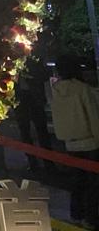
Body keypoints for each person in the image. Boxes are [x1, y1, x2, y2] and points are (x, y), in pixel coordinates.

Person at [52, 55, 99, 228]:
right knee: (93, 183)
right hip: (90, 142)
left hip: (69, 142)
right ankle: (92, 217)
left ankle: (76, 214)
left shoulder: (55, 90)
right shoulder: (83, 89)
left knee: (77, 180)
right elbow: (94, 117)